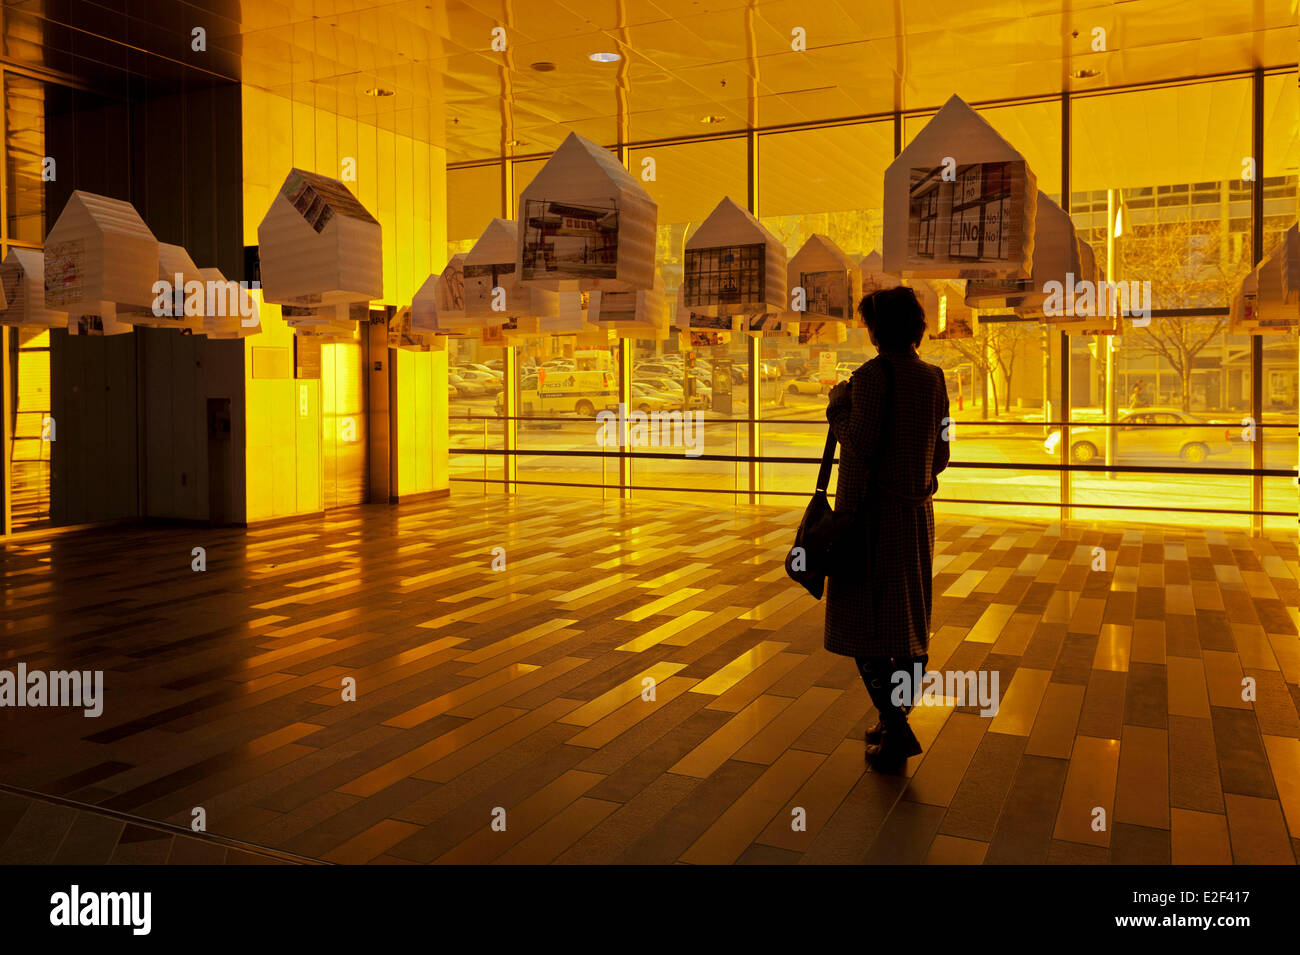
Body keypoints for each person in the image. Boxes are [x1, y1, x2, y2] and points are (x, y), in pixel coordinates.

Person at [824, 286, 950, 771]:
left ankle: (894, 727)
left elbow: (858, 444)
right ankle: (891, 717)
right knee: (908, 625)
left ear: (879, 329)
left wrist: (838, 406)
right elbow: (941, 453)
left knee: (863, 623)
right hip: (915, 516)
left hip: (868, 519)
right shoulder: (934, 378)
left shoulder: (870, 379)